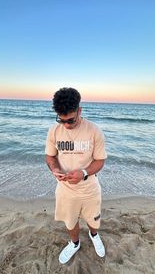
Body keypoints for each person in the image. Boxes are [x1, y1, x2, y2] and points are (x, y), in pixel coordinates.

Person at [45, 87, 107, 264]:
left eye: (70, 120)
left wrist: (84, 172)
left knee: (93, 219)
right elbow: (49, 156)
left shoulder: (95, 131)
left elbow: (100, 161)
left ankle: (94, 235)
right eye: (61, 119)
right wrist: (54, 169)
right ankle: (75, 243)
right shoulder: (54, 131)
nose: (65, 125)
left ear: (79, 110)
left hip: (89, 188)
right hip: (65, 189)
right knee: (70, 221)